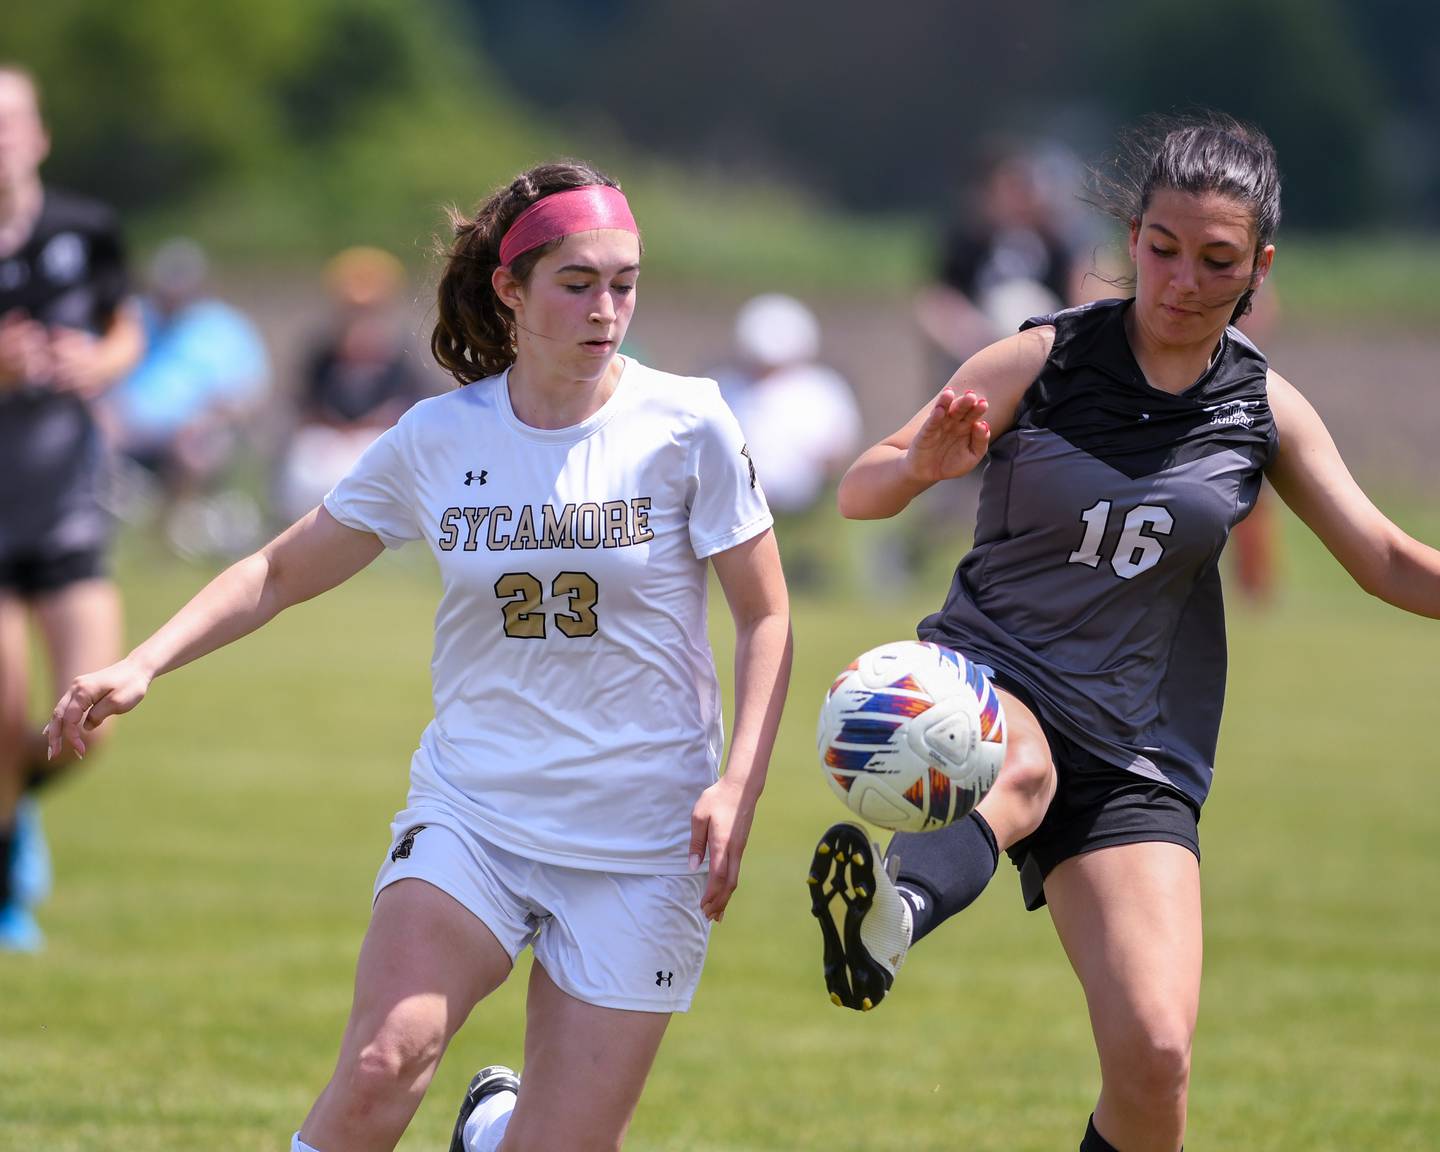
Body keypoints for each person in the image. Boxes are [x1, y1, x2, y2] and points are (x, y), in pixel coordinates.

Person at [47, 161, 792, 1152]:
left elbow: (767, 616)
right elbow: (280, 568)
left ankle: (492, 1131)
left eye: (625, 282)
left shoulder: (688, 421)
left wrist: (738, 785)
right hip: (476, 809)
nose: (606, 308)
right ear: (510, 289)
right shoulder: (440, 436)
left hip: (643, 833)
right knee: (380, 1065)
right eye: (577, 282)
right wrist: (144, 661)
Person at [806, 114, 1440, 1152]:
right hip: (991, 682)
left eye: (1217, 260)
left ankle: (897, 912)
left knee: (1155, 1059)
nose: (1183, 279)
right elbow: (858, 489)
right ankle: (891, 918)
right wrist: (925, 462)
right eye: (1161, 248)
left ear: (1260, 268)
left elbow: (1384, 558)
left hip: (1139, 750)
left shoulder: (1262, 411)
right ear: (1129, 235)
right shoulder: (1041, 360)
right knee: (1023, 776)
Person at [0, 64, 143, 950]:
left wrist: (100, 364)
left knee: (92, 717)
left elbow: (125, 328)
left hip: (64, 507)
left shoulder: (85, 230)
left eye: (12, 121)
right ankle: (10, 871)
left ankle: (18, 804)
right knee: (1, 712)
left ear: (41, 135)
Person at [103, 237, 270, 557]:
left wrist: (209, 418)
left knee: (198, 447)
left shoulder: (225, 328)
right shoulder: (132, 319)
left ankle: (171, 532)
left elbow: (249, 394)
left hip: (194, 432)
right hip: (125, 429)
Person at [273, 246, 431, 524]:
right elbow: (305, 402)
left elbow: (416, 404)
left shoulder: (401, 354)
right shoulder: (323, 353)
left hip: (378, 437)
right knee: (307, 463)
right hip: (329, 439)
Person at [714, 293, 862, 589]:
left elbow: (838, 446)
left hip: (803, 494)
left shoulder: (822, 388)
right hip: (735, 493)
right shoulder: (722, 386)